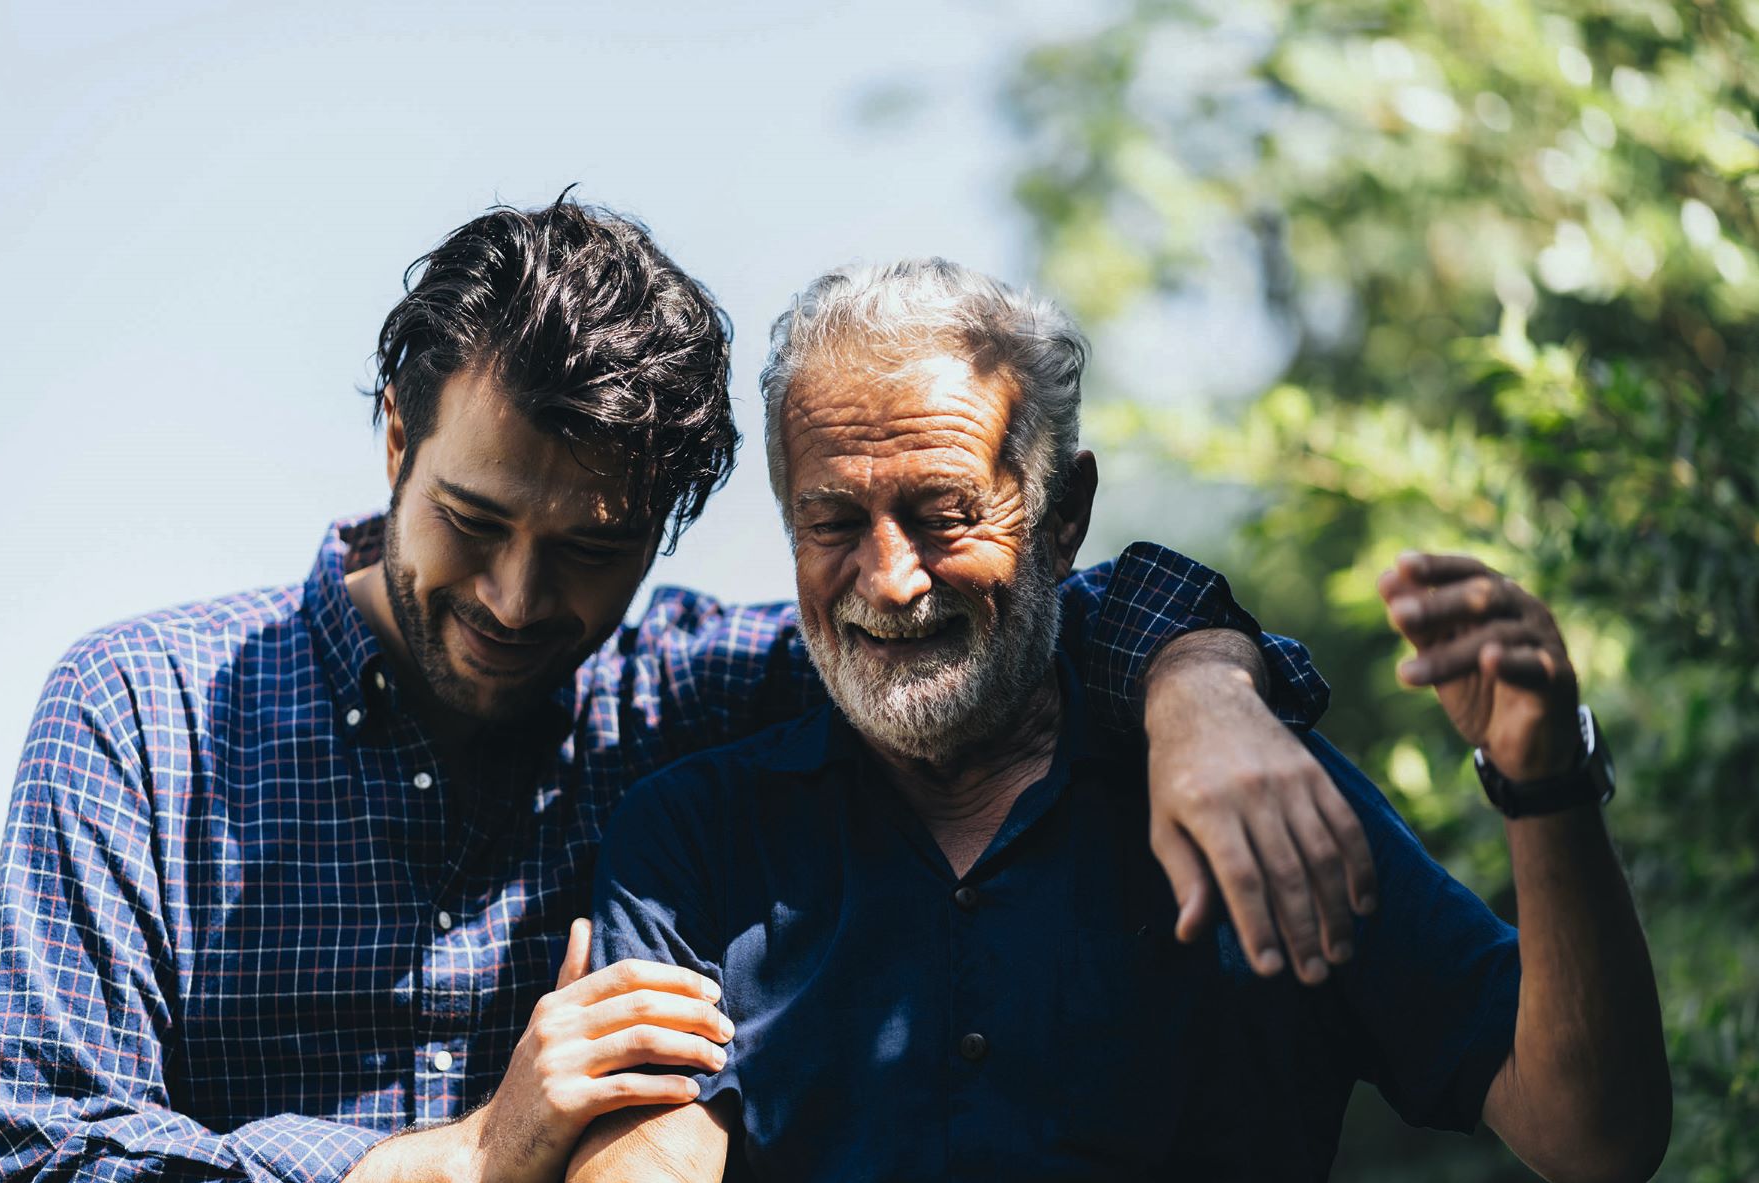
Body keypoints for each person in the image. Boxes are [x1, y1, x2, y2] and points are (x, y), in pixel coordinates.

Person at [0, 197, 1371, 1183]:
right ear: (397, 435)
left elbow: (999, 608)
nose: (522, 600)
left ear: (668, 524)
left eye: (592, 549)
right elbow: (35, 1145)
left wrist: (1204, 686)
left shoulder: (693, 696)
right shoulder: (137, 716)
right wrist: (462, 1158)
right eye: (474, 520)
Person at [572, 259, 1672, 1182]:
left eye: (943, 514)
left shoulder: (1254, 788)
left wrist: (1544, 779)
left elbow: (1591, 1133)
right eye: (830, 522)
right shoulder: (691, 837)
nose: (890, 578)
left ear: (1062, 517)